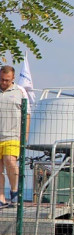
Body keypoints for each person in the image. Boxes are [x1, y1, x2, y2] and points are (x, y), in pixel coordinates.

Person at [0, 66, 26, 208]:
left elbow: (26, 115)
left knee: (10, 162)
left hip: (13, 135)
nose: (4, 83)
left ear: (13, 79)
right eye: (2, 80)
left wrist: (25, 135)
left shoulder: (20, 92)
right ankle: (1, 197)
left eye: (7, 80)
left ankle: (14, 191)